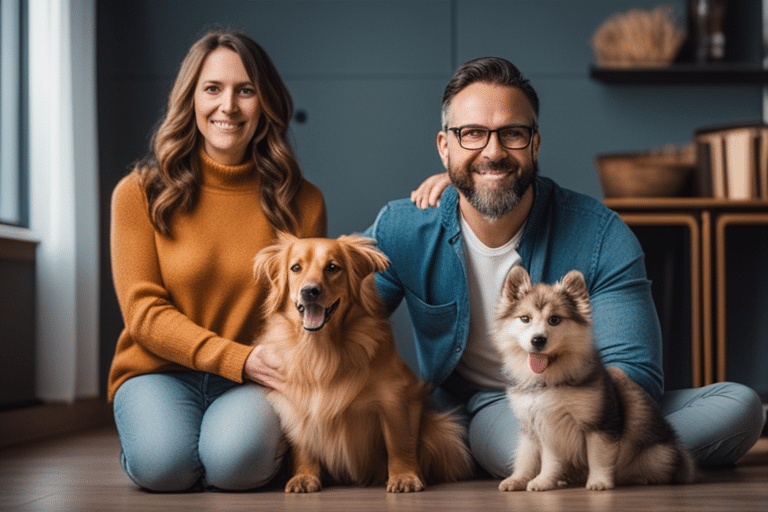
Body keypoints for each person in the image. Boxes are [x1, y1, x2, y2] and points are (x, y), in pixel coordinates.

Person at [363, 56, 765, 478]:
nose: (493, 152)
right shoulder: (404, 227)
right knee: (518, 449)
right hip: (489, 409)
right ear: (445, 147)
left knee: (740, 407)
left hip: (583, 396)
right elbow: (339, 309)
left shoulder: (600, 234)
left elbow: (634, 373)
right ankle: (626, 460)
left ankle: (593, 458)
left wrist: (580, 415)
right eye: (472, 134)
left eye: (512, 134)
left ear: (534, 145)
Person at [108, 30, 327, 492]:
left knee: (235, 467)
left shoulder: (302, 201)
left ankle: (247, 444)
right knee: (164, 467)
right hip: (159, 372)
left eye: (245, 90)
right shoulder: (138, 192)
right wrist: (236, 358)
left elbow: (306, 309)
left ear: (265, 103)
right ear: (190, 98)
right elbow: (142, 312)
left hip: (257, 380)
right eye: (212, 89)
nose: (228, 106)